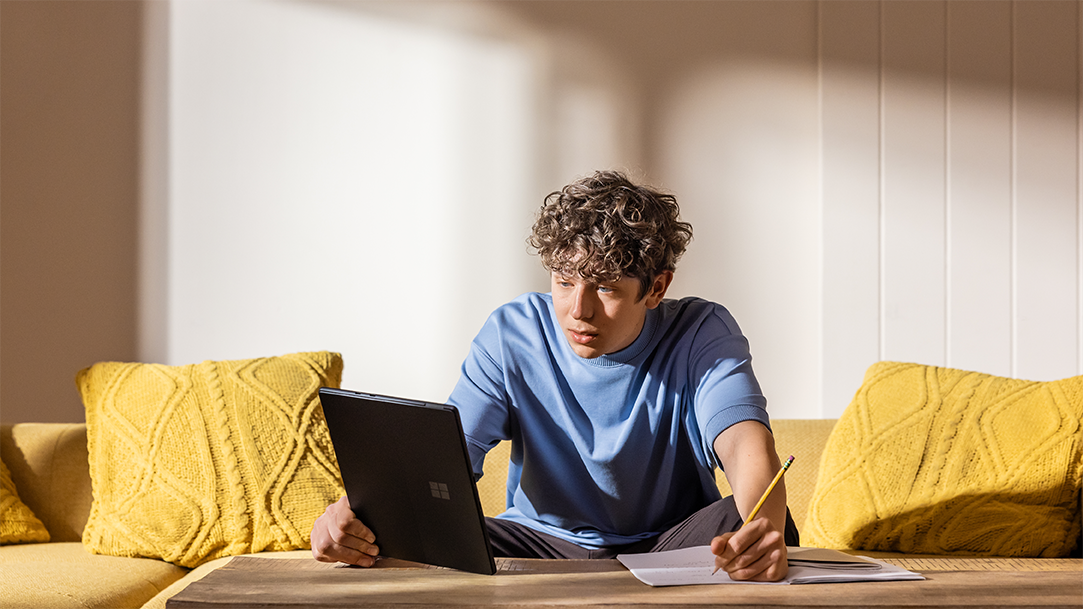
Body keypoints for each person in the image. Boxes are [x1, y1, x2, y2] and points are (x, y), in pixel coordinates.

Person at [311, 170, 799, 581]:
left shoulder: (702, 331)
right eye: (564, 282)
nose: (577, 311)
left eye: (605, 288)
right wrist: (352, 518)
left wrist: (763, 534)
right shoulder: (513, 332)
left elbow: (744, 447)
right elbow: (445, 458)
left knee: (756, 517)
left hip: (671, 544)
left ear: (655, 287)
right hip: (541, 543)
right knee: (397, 529)